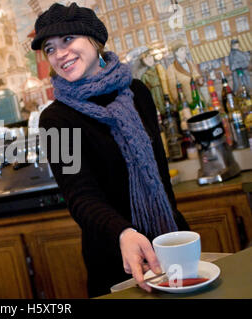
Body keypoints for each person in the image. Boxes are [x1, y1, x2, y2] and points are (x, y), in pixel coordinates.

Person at [31, 3, 190, 297]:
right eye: (50, 48)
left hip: (169, 243)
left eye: (67, 39)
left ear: (93, 39)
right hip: (114, 257)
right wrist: (123, 232)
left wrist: (174, 235)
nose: (59, 53)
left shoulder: (137, 92)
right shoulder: (55, 120)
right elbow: (79, 195)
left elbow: (159, 173)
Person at [166, 40, 204, 104]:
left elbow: (196, 74)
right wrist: (180, 103)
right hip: (187, 102)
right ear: (176, 53)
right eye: (181, 50)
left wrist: (199, 79)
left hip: (198, 97)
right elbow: (173, 89)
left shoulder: (190, 63)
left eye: (184, 49)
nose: (185, 51)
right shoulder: (171, 69)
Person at [140, 49, 165, 114]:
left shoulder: (160, 69)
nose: (149, 60)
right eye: (146, 59)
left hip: (164, 93)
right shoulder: (145, 76)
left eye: (150, 57)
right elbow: (144, 94)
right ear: (143, 61)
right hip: (155, 98)